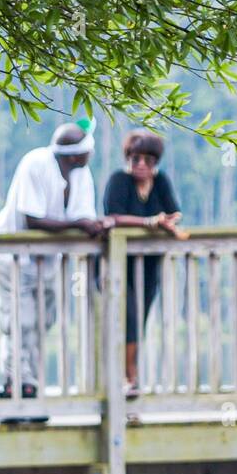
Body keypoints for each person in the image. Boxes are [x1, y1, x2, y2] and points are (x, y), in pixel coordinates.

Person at [0, 121, 105, 399]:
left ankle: (30, 381)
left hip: (48, 260)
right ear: (76, 154)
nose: (91, 154)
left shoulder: (81, 175)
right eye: (88, 150)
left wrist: (94, 225)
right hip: (12, 255)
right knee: (18, 318)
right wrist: (78, 225)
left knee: (44, 319)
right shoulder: (36, 163)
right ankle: (12, 380)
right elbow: (32, 218)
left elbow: (83, 216)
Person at [102, 130, 184, 397]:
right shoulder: (119, 181)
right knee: (128, 317)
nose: (141, 165)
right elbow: (113, 216)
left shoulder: (161, 182)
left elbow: (175, 211)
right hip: (118, 265)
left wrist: (167, 222)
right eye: (135, 159)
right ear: (128, 158)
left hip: (149, 265)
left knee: (141, 317)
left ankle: (131, 379)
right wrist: (150, 222)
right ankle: (130, 379)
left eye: (148, 160)